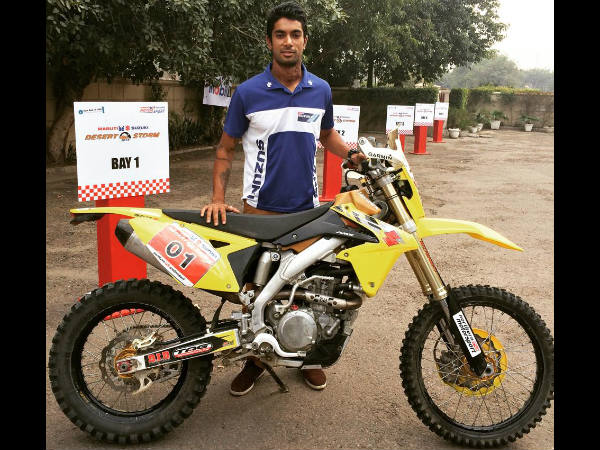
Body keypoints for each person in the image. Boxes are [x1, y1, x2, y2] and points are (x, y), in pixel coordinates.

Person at [200, 1, 366, 396]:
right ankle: (256, 360)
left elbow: (326, 135)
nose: (288, 41)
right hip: (259, 212)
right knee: (256, 292)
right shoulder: (248, 92)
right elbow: (225, 148)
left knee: (307, 288)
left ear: (305, 41)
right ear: (269, 41)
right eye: (280, 35)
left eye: (295, 34)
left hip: (308, 212)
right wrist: (218, 198)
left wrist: (353, 155)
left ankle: (307, 357)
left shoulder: (320, 89)